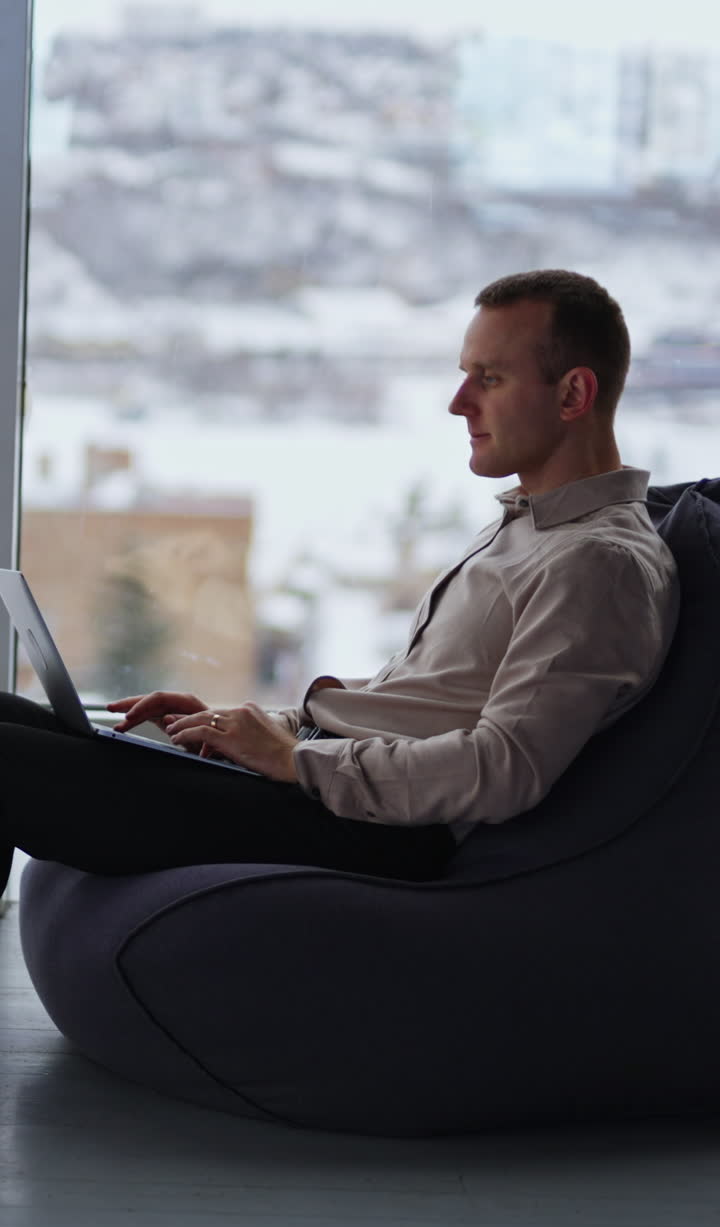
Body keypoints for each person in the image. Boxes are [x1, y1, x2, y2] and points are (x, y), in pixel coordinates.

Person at [0, 269, 679, 893]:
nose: (457, 402)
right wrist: (260, 727)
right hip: (323, 788)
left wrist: (295, 762)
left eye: (489, 379)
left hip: (366, 831)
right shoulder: (533, 526)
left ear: (574, 393)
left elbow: (503, 768)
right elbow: (420, 705)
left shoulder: (599, 566)